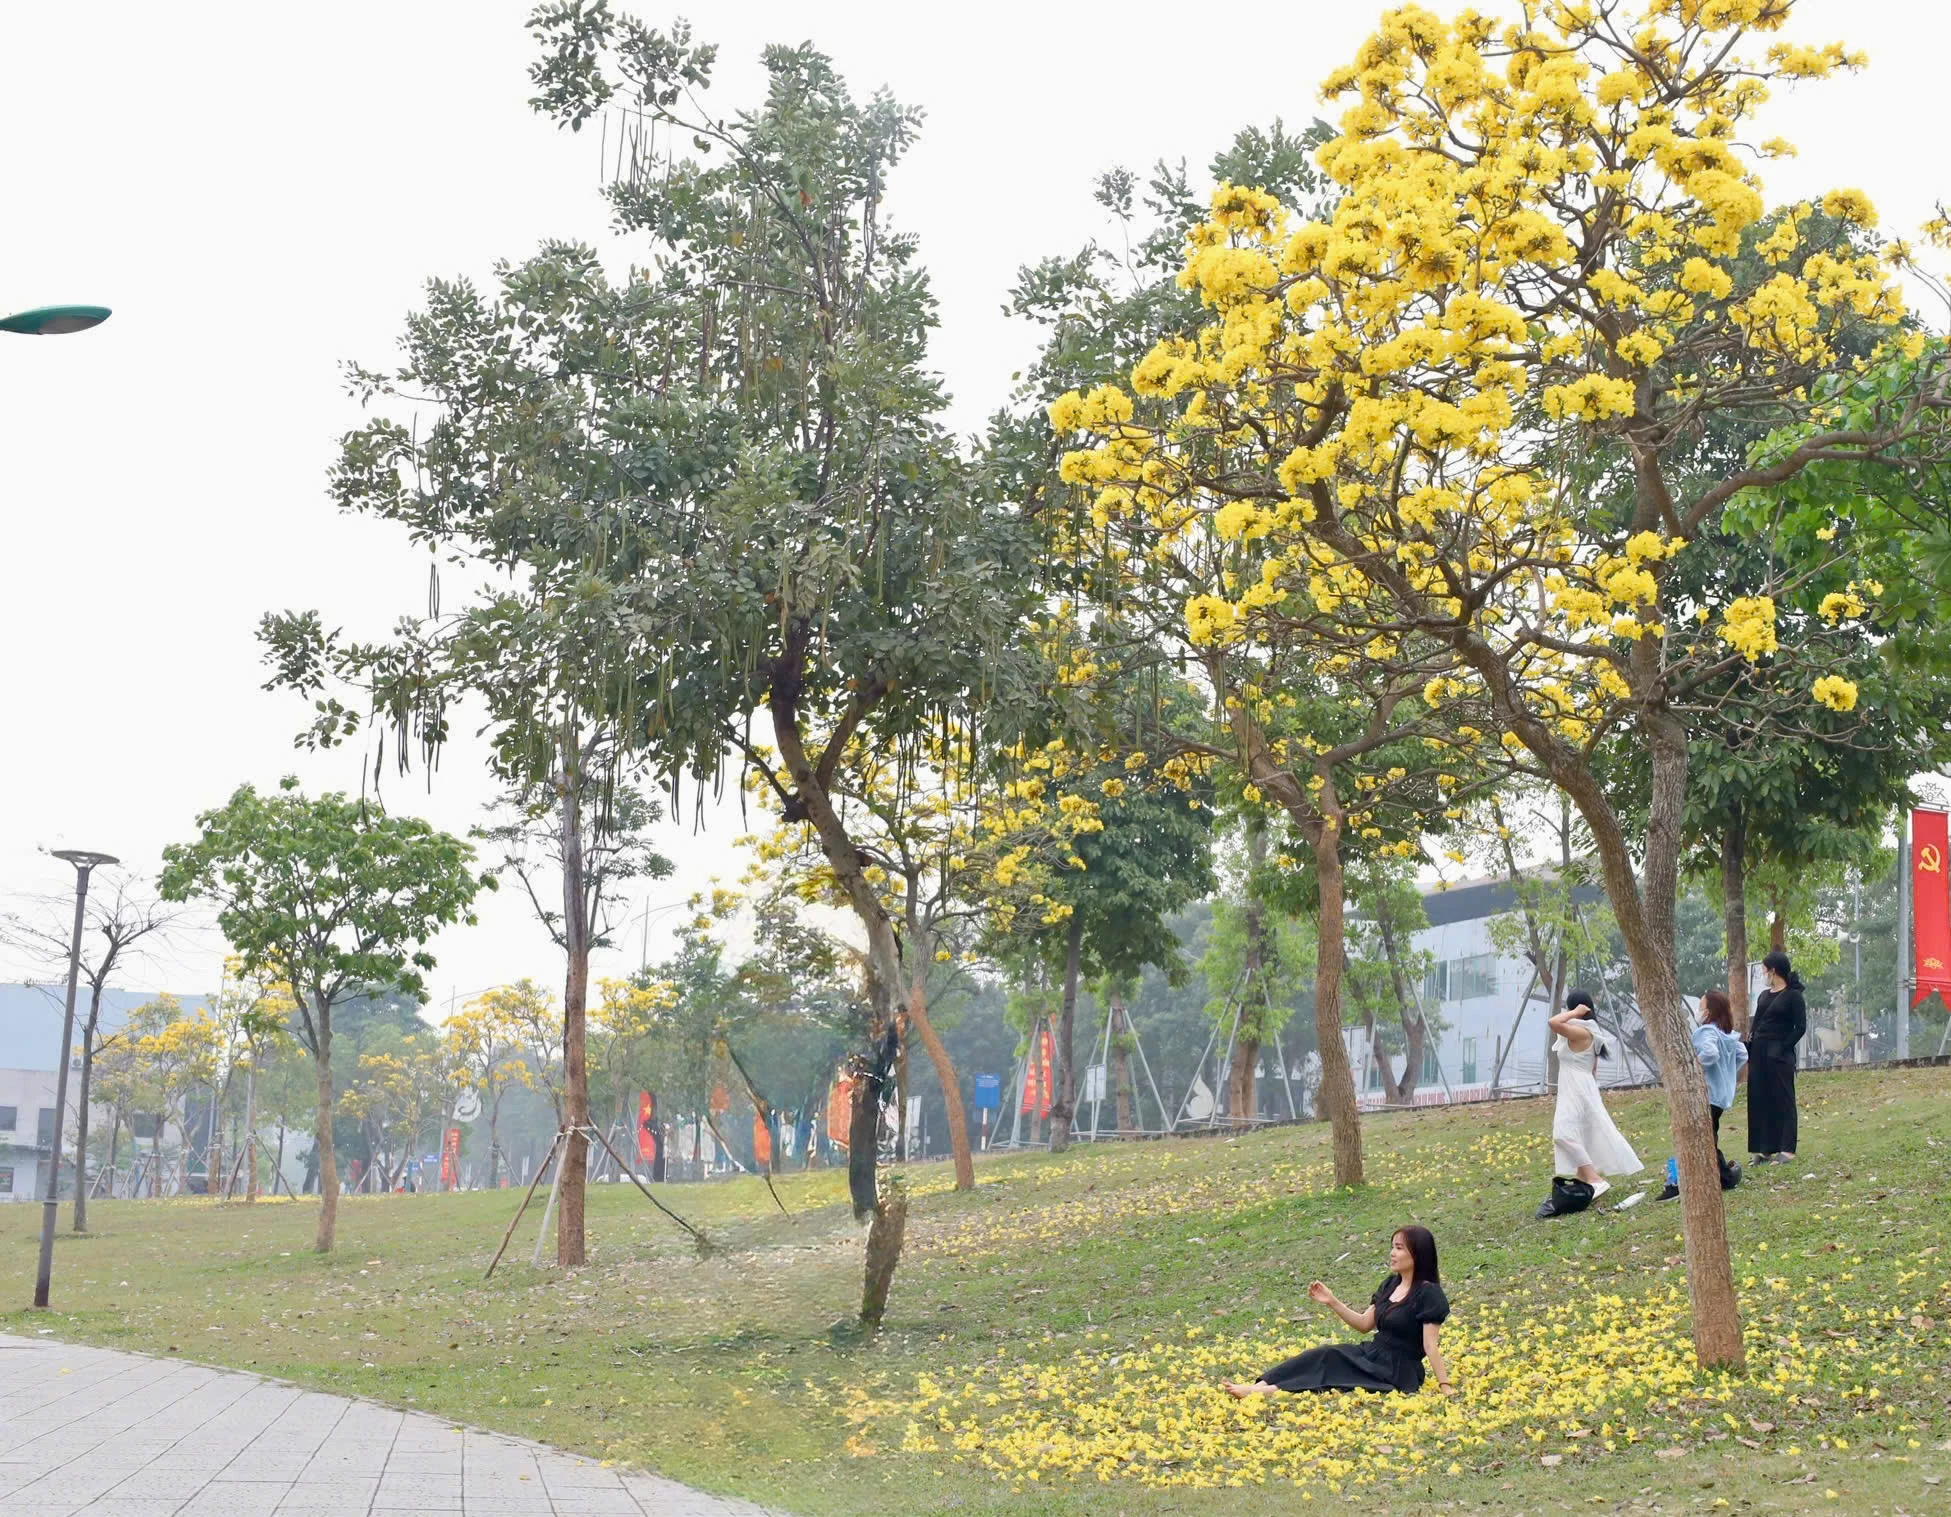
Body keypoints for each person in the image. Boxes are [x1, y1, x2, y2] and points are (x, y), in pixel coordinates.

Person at [1222, 1226, 1452, 1397]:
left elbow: (1430, 1345)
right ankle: (1259, 1385)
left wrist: (1445, 1386)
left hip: (1397, 1370)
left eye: (1399, 1248)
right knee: (1324, 1353)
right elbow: (1364, 1324)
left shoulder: (1428, 1293)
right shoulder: (1391, 1284)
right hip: (1372, 1354)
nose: (1392, 1253)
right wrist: (1332, 1301)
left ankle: (1263, 1392)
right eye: (1392, 1247)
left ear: (1418, 1253)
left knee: (1332, 1371)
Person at [1546, 989, 1642, 1200]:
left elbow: (1553, 1022)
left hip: (1576, 1087)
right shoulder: (1588, 1032)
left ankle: (1594, 1179)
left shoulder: (1581, 1032)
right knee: (1581, 1132)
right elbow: (1593, 1068)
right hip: (1579, 1085)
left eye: (1569, 1007)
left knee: (1563, 1134)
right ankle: (1583, 1179)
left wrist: (1574, 1013)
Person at [1657, 990, 1748, 1201]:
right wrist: (1727, 1075)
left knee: (1704, 1140)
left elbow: (1710, 1053)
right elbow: (1742, 1054)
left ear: (1710, 1011)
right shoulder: (1727, 1035)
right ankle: (1719, 1175)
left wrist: (1692, 1067)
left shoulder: (1706, 1032)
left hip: (1706, 1094)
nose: (1698, 1011)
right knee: (1709, 1136)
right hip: (1720, 1096)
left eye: (1701, 1007)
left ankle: (1723, 1177)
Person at [1748, 950, 1806, 1164]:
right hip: (1759, 1053)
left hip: (1779, 1055)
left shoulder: (1793, 996)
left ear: (1773, 971)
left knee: (1784, 1100)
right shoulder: (1764, 995)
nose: (1763, 974)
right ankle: (1765, 1148)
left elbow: (1800, 1027)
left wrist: (1782, 1047)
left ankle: (1787, 1149)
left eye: (1764, 969)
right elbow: (1756, 1024)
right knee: (1761, 1099)